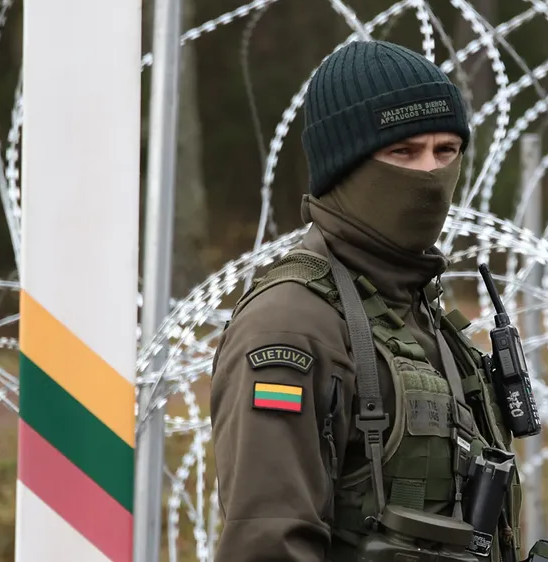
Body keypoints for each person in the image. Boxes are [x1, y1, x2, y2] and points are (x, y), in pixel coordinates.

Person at [211, 40, 524, 562]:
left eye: (445, 150)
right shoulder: (292, 324)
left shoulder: (421, 313)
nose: (430, 173)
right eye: (403, 152)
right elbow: (269, 543)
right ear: (345, 167)